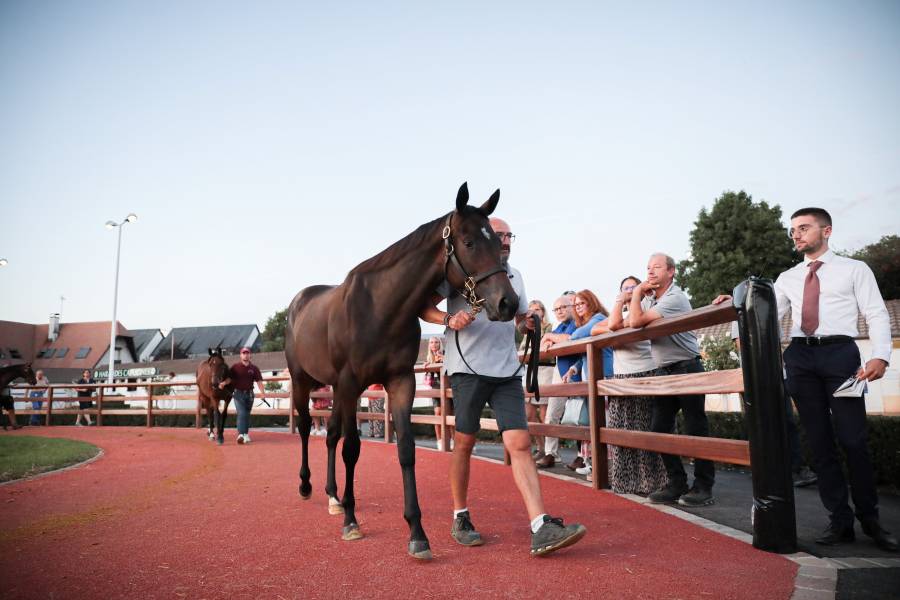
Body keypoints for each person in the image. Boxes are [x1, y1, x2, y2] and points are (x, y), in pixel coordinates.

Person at [420, 216, 586, 557]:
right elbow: (424, 307)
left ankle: (541, 526)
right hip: (466, 369)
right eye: (500, 234)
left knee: (520, 442)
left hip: (506, 370)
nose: (506, 239)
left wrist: (528, 323)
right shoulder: (459, 270)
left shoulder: (515, 275)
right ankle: (460, 516)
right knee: (464, 443)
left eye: (510, 234)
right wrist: (449, 320)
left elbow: (519, 317)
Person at [774, 207, 895, 550]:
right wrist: (739, 304)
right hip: (801, 358)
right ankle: (839, 521)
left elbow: (875, 312)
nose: (796, 235)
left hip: (842, 357)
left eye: (803, 228)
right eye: (793, 230)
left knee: (853, 440)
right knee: (820, 443)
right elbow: (767, 314)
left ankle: (871, 520)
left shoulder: (855, 269)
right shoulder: (787, 278)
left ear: (826, 231)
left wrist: (880, 355)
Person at [628, 253, 715, 507]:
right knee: (659, 430)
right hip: (663, 371)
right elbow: (621, 324)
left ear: (671, 271)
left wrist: (634, 295)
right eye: (647, 267)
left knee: (695, 428)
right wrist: (634, 297)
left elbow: (635, 322)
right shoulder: (652, 300)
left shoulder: (675, 298)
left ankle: (703, 486)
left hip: (687, 366)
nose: (650, 272)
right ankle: (677, 483)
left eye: (656, 267)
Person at [598, 276, 667, 495]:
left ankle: (652, 482)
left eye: (633, 287)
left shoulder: (645, 309)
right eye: (625, 288)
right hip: (621, 378)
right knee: (621, 430)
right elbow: (599, 329)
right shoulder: (620, 313)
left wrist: (617, 326)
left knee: (645, 429)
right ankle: (624, 482)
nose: (629, 291)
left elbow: (626, 324)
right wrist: (618, 312)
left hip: (645, 373)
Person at [560, 289, 614, 481]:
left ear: (591, 302)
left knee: (603, 421)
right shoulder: (584, 323)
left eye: (581, 303)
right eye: (575, 305)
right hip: (589, 378)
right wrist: (574, 369)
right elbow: (585, 356)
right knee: (590, 422)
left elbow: (576, 336)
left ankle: (606, 467)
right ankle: (591, 462)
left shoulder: (598, 318)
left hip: (604, 377)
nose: (578, 307)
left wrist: (550, 337)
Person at [538, 292, 580, 469]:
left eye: (564, 307)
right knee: (552, 413)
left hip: (579, 371)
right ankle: (550, 453)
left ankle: (582, 456)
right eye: (556, 309)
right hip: (560, 371)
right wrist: (548, 339)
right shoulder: (560, 326)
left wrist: (550, 338)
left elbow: (569, 339)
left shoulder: (579, 322)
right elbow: (543, 343)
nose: (560, 311)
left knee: (580, 416)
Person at [519, 299, 554, 460]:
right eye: (531, 310)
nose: (534, 312)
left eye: (537, 309)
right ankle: (540, 448)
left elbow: (548, 350)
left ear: (543, 312)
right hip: (530, 371)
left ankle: (550, 452)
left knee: (545, 414)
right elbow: (521, 351)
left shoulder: (549, 327)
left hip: (545, 369)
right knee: (529, 414)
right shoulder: (527, 330)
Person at [228, 347, 265, 444]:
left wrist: (262, 393)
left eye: (247, 353)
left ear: (250, 355)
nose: (246, 355)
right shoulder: (235, 367)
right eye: (243, 353)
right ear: (240, 355)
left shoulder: (254, 368)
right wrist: (223, 383)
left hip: (250, 394)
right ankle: (240, 434)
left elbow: (259, 381)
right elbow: (229, 379)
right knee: (242, 413)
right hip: (238, 394)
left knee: (247, 415)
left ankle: (246, 434)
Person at [424, 336, 451, 448]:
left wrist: (445, 359)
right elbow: (430, 374)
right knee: (437, 413)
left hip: (448, 384)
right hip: (436, 386)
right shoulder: (429, 358)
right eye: (431, 342)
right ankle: (439, 441)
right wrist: (428, 366)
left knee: (450, 414)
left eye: (436, 342)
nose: (434, 344)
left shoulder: (447, 353)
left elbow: (453, 364)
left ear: (440, 344)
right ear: (429, 345)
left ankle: (453, 440)